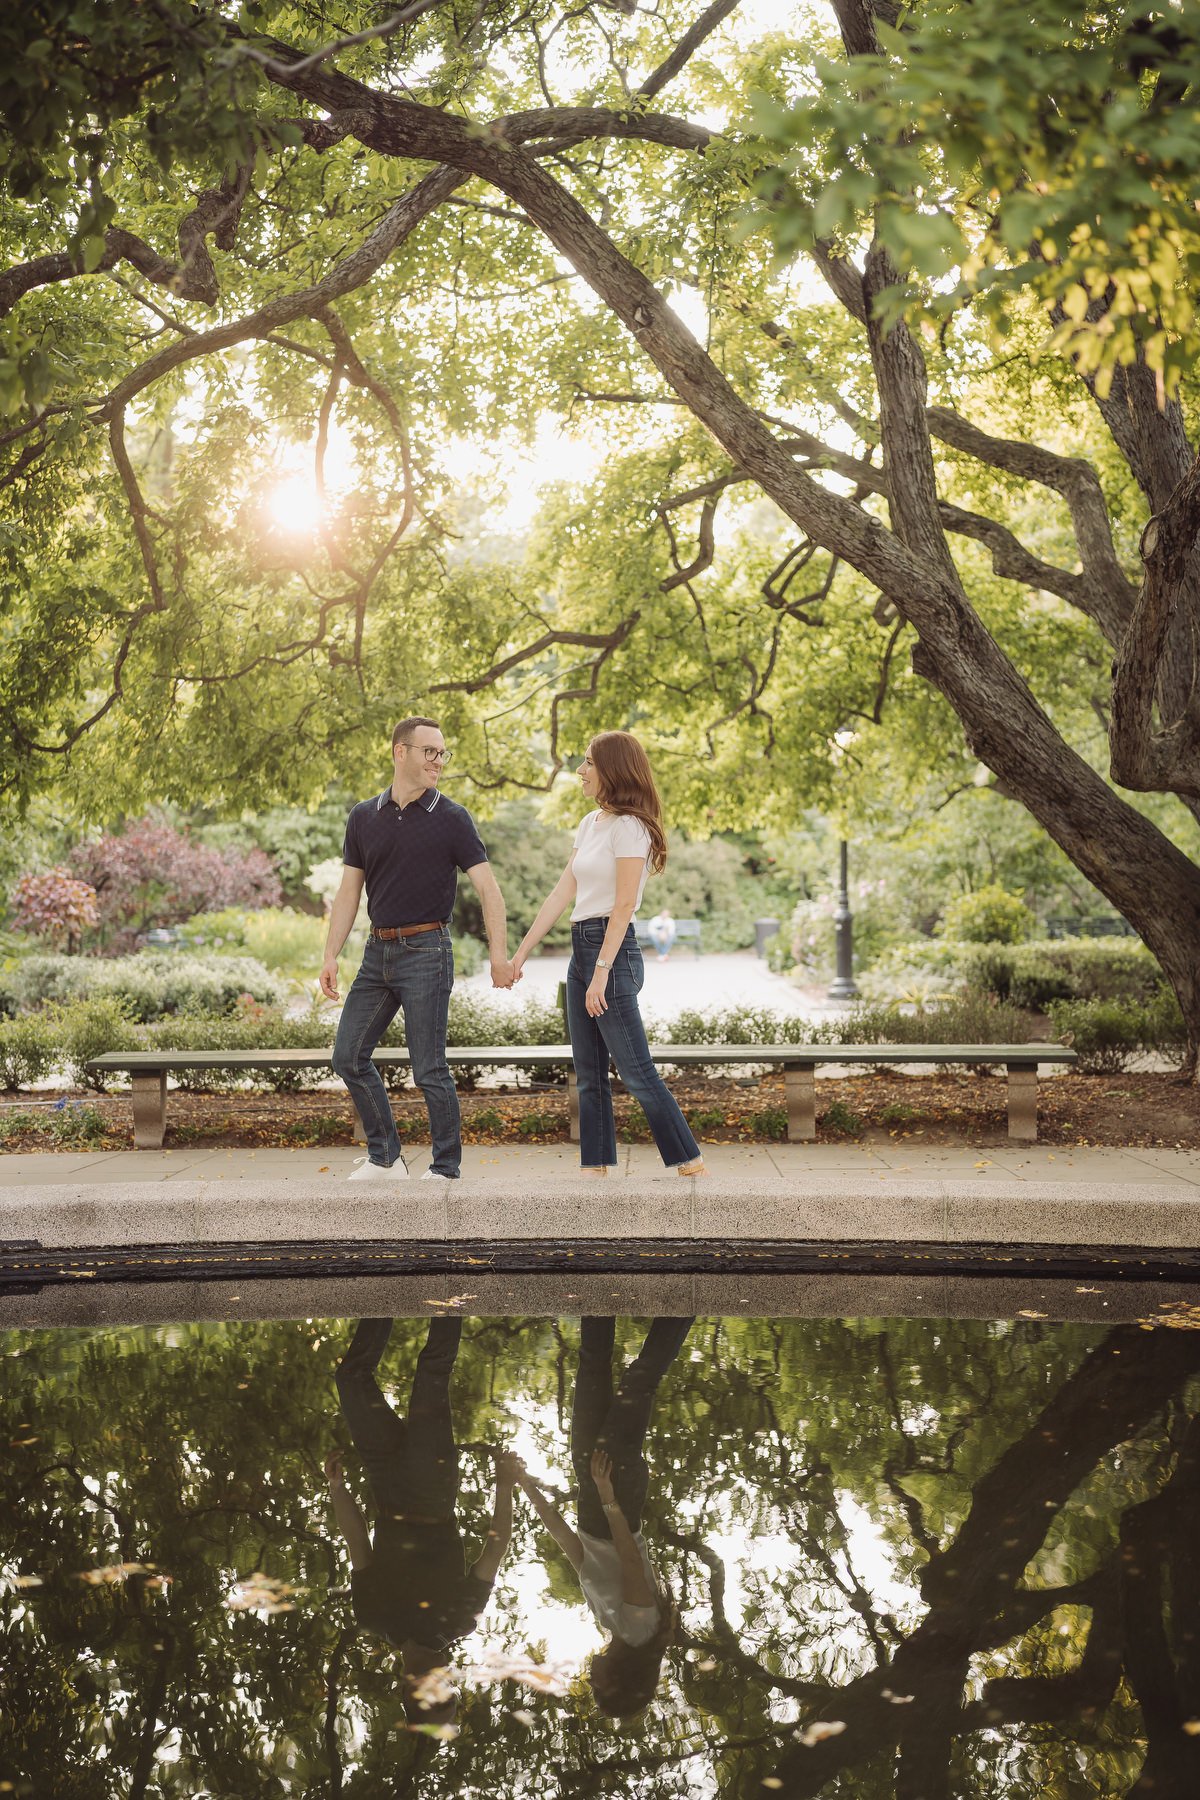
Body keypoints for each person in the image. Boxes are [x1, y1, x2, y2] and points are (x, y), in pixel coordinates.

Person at [320, 716, 516, 1183]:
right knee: (347, 1057)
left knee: (429, 1068)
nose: (438, 761)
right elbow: (349, 892)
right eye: (429, 751)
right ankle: (385, 1158)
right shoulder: (363, 817)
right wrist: (330, 955)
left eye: (442, 753)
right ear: (399, 752)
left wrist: (498, 955)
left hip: (429, 950)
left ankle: (446, 1168)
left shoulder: (451, 817)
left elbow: (489, 890)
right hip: (376, 954)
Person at [511, 730, 705, 1176]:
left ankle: (690, 1163)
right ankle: (594, 1169)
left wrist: (600, 973)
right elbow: (563, 891)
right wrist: (522, 953)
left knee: (636, 1072)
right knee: (588, 1075)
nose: (580, 771)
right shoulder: (590, 823)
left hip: (611, 953)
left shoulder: (631, 828)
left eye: (588, 763)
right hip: (583, 950)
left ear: (612, 769)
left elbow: (622, 906)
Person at [327, 1316, 520, 1726]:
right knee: (431, 1371)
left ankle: (385, 1294)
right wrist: (505, 1483)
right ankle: (448, 1286)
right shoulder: (460, 1620)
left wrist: (337, 1490)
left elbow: (357, 1544)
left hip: (385, 1485)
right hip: (431, 1489)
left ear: (406, 1685)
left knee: (350, 1378)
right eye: (448, 1689)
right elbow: (496, 1547)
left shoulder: (373, 1617)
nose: (442, 1680)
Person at [514, 1315, 694, 1719]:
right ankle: (686, 1303)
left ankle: (597, 1295)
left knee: (592, 1370)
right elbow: (629, 1557)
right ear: (620, 1679)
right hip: (617, 1497)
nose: (591, 1681)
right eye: (600, 1689)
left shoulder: (607, 1621)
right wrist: (609, 1496)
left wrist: (526, 1488)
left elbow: (572, 1545)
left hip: (594, 1492)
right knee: (638, 1383)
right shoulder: (639, 1631)